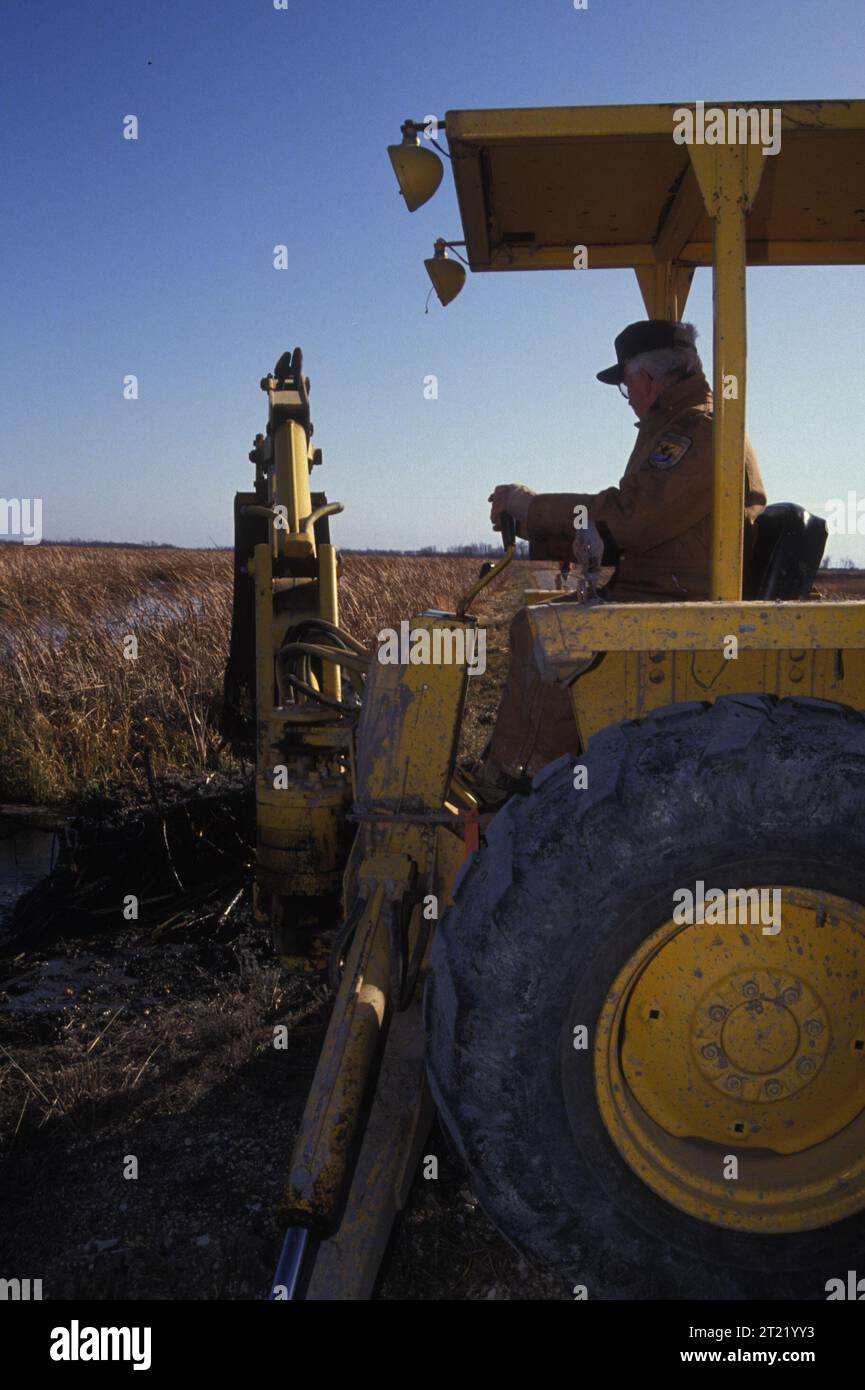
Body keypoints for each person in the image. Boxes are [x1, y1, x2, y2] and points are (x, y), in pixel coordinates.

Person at [474, 319, 767, 806]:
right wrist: (531, 524)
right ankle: (526, 773)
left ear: (646, 380)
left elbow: (631, 517)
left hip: (675, 599)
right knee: (533, 624)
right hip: (665, 587)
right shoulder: (684, 424)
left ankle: (524, 786)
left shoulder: (696, 429)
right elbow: (618, 527)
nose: (628, 396)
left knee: (545, 635)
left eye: (626, 385)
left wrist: (531, 505)